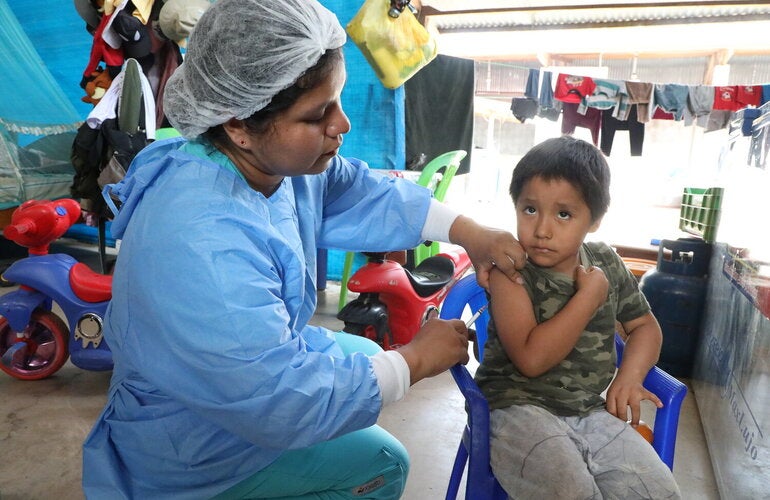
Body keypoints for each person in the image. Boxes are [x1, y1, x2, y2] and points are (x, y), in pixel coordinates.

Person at [81, 0, 526, 498]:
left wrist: (469, 232)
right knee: (385, 462)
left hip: (232, 375)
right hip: (195, 445)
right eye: (318, 114)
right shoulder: (202, 246)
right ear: (237, 124)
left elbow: (354, 189)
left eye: (335, 101)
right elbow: (282, 402)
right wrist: (416, 361)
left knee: (359, 351)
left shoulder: (267, 165)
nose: (343, 125)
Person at [475, 136, 681, 499]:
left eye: (564, 214)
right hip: (516, 407)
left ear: (595, 219)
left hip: (588, 409)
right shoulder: (510, 270)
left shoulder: (605, 262)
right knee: (570, 492)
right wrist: (588, 297)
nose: (542, 229)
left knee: (658, 492)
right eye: (530, 209)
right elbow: (532, 359)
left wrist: (629, 376)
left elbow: (645, 327)